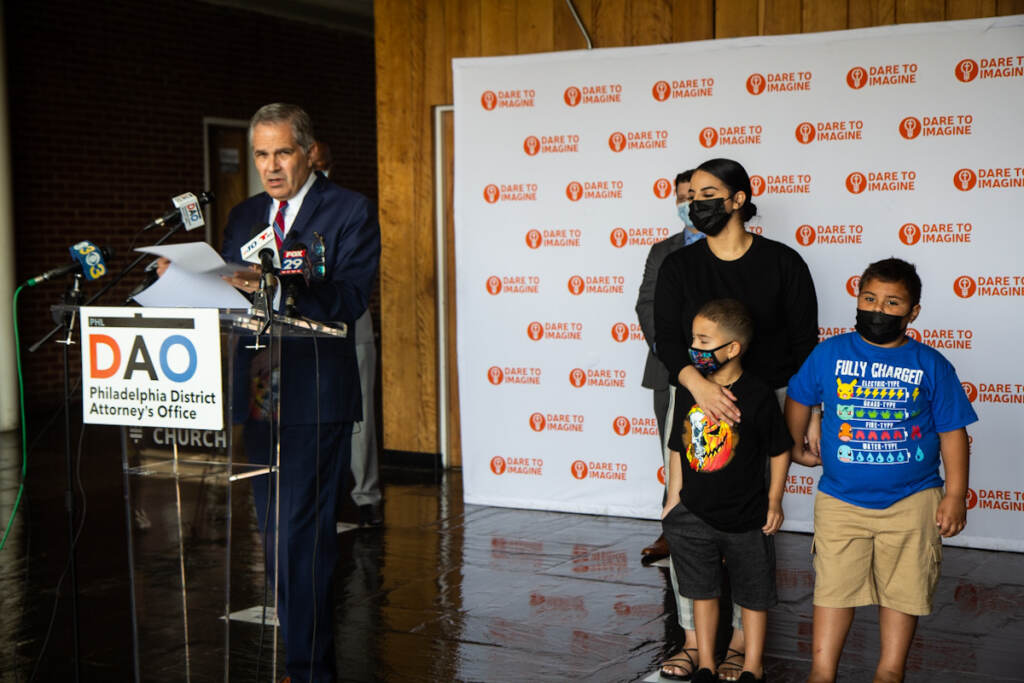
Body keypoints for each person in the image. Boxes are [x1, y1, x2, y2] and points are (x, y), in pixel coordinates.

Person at [222, 103, 380, 682]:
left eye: (281, 152)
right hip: (262, 391)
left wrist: (276, 289)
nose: (270, 166)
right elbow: (232, 304)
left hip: (318, 393)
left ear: (308, 152)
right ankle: (302, 657)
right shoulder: (242, 218)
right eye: (261, 154)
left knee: (301, 535)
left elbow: (348, 300)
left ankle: (308, 667)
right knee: (274, 538)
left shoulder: (348, 211)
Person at [653, 157, 821, 681]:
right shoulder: (680, 265)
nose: (695, 203)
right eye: (691, 195)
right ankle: (692, 640)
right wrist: (701, 387)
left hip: (765, 403)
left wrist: (807, 412)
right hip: (694, 399)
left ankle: (741, 648)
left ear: (739, 199)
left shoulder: (783, 263)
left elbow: (803, 345)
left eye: (708, 193)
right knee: (686, 519)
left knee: (753, 524)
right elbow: (665, 339)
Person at [784, 258, 976, 683]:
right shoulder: (830, 353)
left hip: (913, 499)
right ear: (857, 298)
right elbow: (799, 396)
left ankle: (889, 671)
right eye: (869, 298)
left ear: (913, 312)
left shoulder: (931, 363)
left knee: (903, 591)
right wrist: (795, 446)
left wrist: (955, 494)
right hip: (840, 499)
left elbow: (952, 433)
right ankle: (821, 671)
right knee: (833, 588)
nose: (879, 309)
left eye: (893, 303)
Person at [662, 299, 792, 683]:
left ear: (733, 348)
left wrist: (774, 501)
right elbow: (676, 445)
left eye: (704, 341)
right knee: (701, 592)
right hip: (693, 514)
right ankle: (705, 662)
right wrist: (674, 499)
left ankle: (752, 664)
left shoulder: (757, 393)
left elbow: (779, 448)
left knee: (753, 594)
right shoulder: (691, 390)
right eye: (693, 339)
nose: (694, 349)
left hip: (747, 517)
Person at [311, 139, 382, 527]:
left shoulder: (348, 208)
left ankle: (365, 497)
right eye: (312, 165)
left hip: (349, 317)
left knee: (360, 413)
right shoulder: (283, 212)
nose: (318, 172)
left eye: (323, 165)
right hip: (303, 327)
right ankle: (322, 497)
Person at [636, 169, 705, 565]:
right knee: (672, 453)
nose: (688, 204)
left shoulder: (733, 248)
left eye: (695, 196)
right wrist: (673, 356)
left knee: (719, 453)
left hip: (722, 373)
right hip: (667, 369)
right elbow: (646, 304)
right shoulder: (661, 251)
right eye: (682, 197)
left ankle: (720, 534)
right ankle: (672, 529)